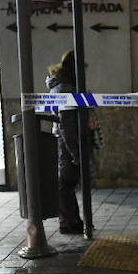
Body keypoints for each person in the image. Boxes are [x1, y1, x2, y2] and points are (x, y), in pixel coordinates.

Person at [45, 50, 83, 235]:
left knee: (67, 184)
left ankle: (72, 220)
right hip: (67, 141)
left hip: (65, 140)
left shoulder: (59, 85)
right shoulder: (66, 89)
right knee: (66, 183)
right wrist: (75, 152)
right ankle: (69, 222)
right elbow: (66, 125)